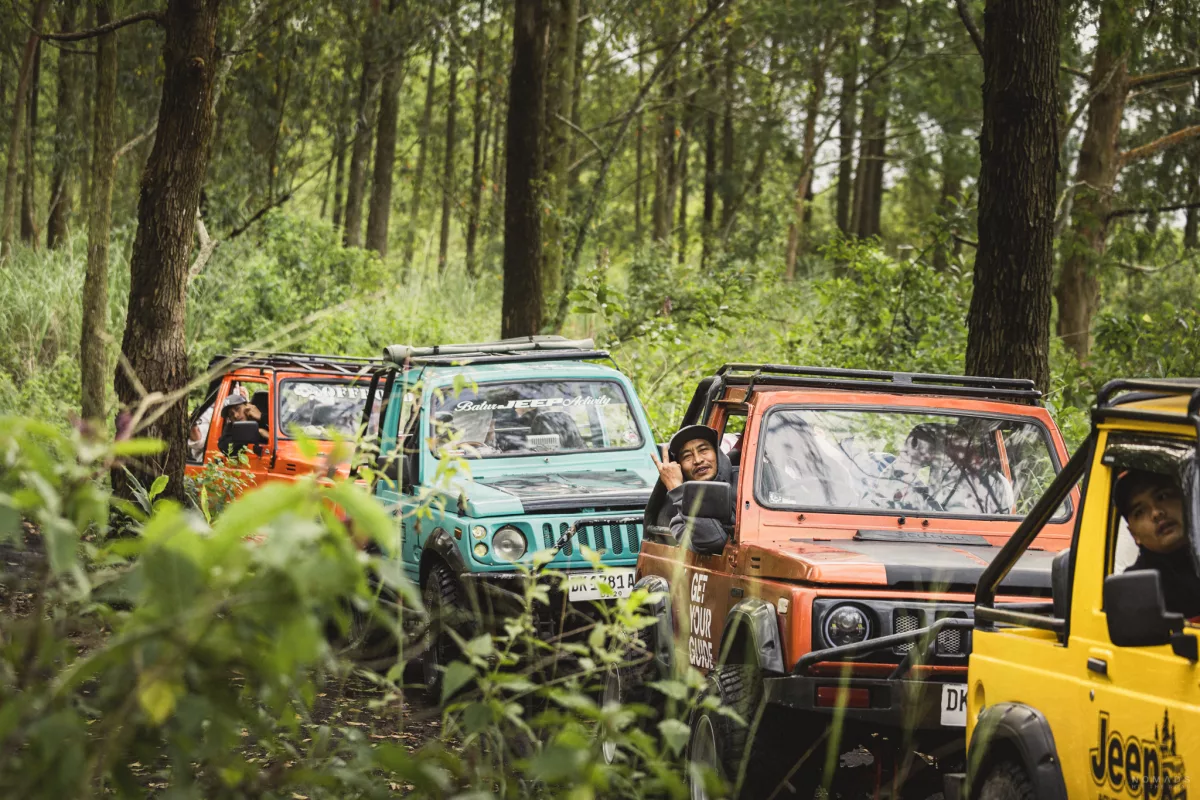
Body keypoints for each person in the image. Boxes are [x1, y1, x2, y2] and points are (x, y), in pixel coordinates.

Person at [1116, 469, 1200, 619]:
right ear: (1134, 534)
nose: (1156, 513)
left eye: (1163, 496)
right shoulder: (1136, 588)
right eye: (1140, 511)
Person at [651, 424, 736, 555]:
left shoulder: (749, 480)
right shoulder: (679, 522)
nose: (698, 460)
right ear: (680, 468)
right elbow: (713, 540)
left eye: (703, 450)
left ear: (717, 453)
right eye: (687, 457)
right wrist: (678, 490)